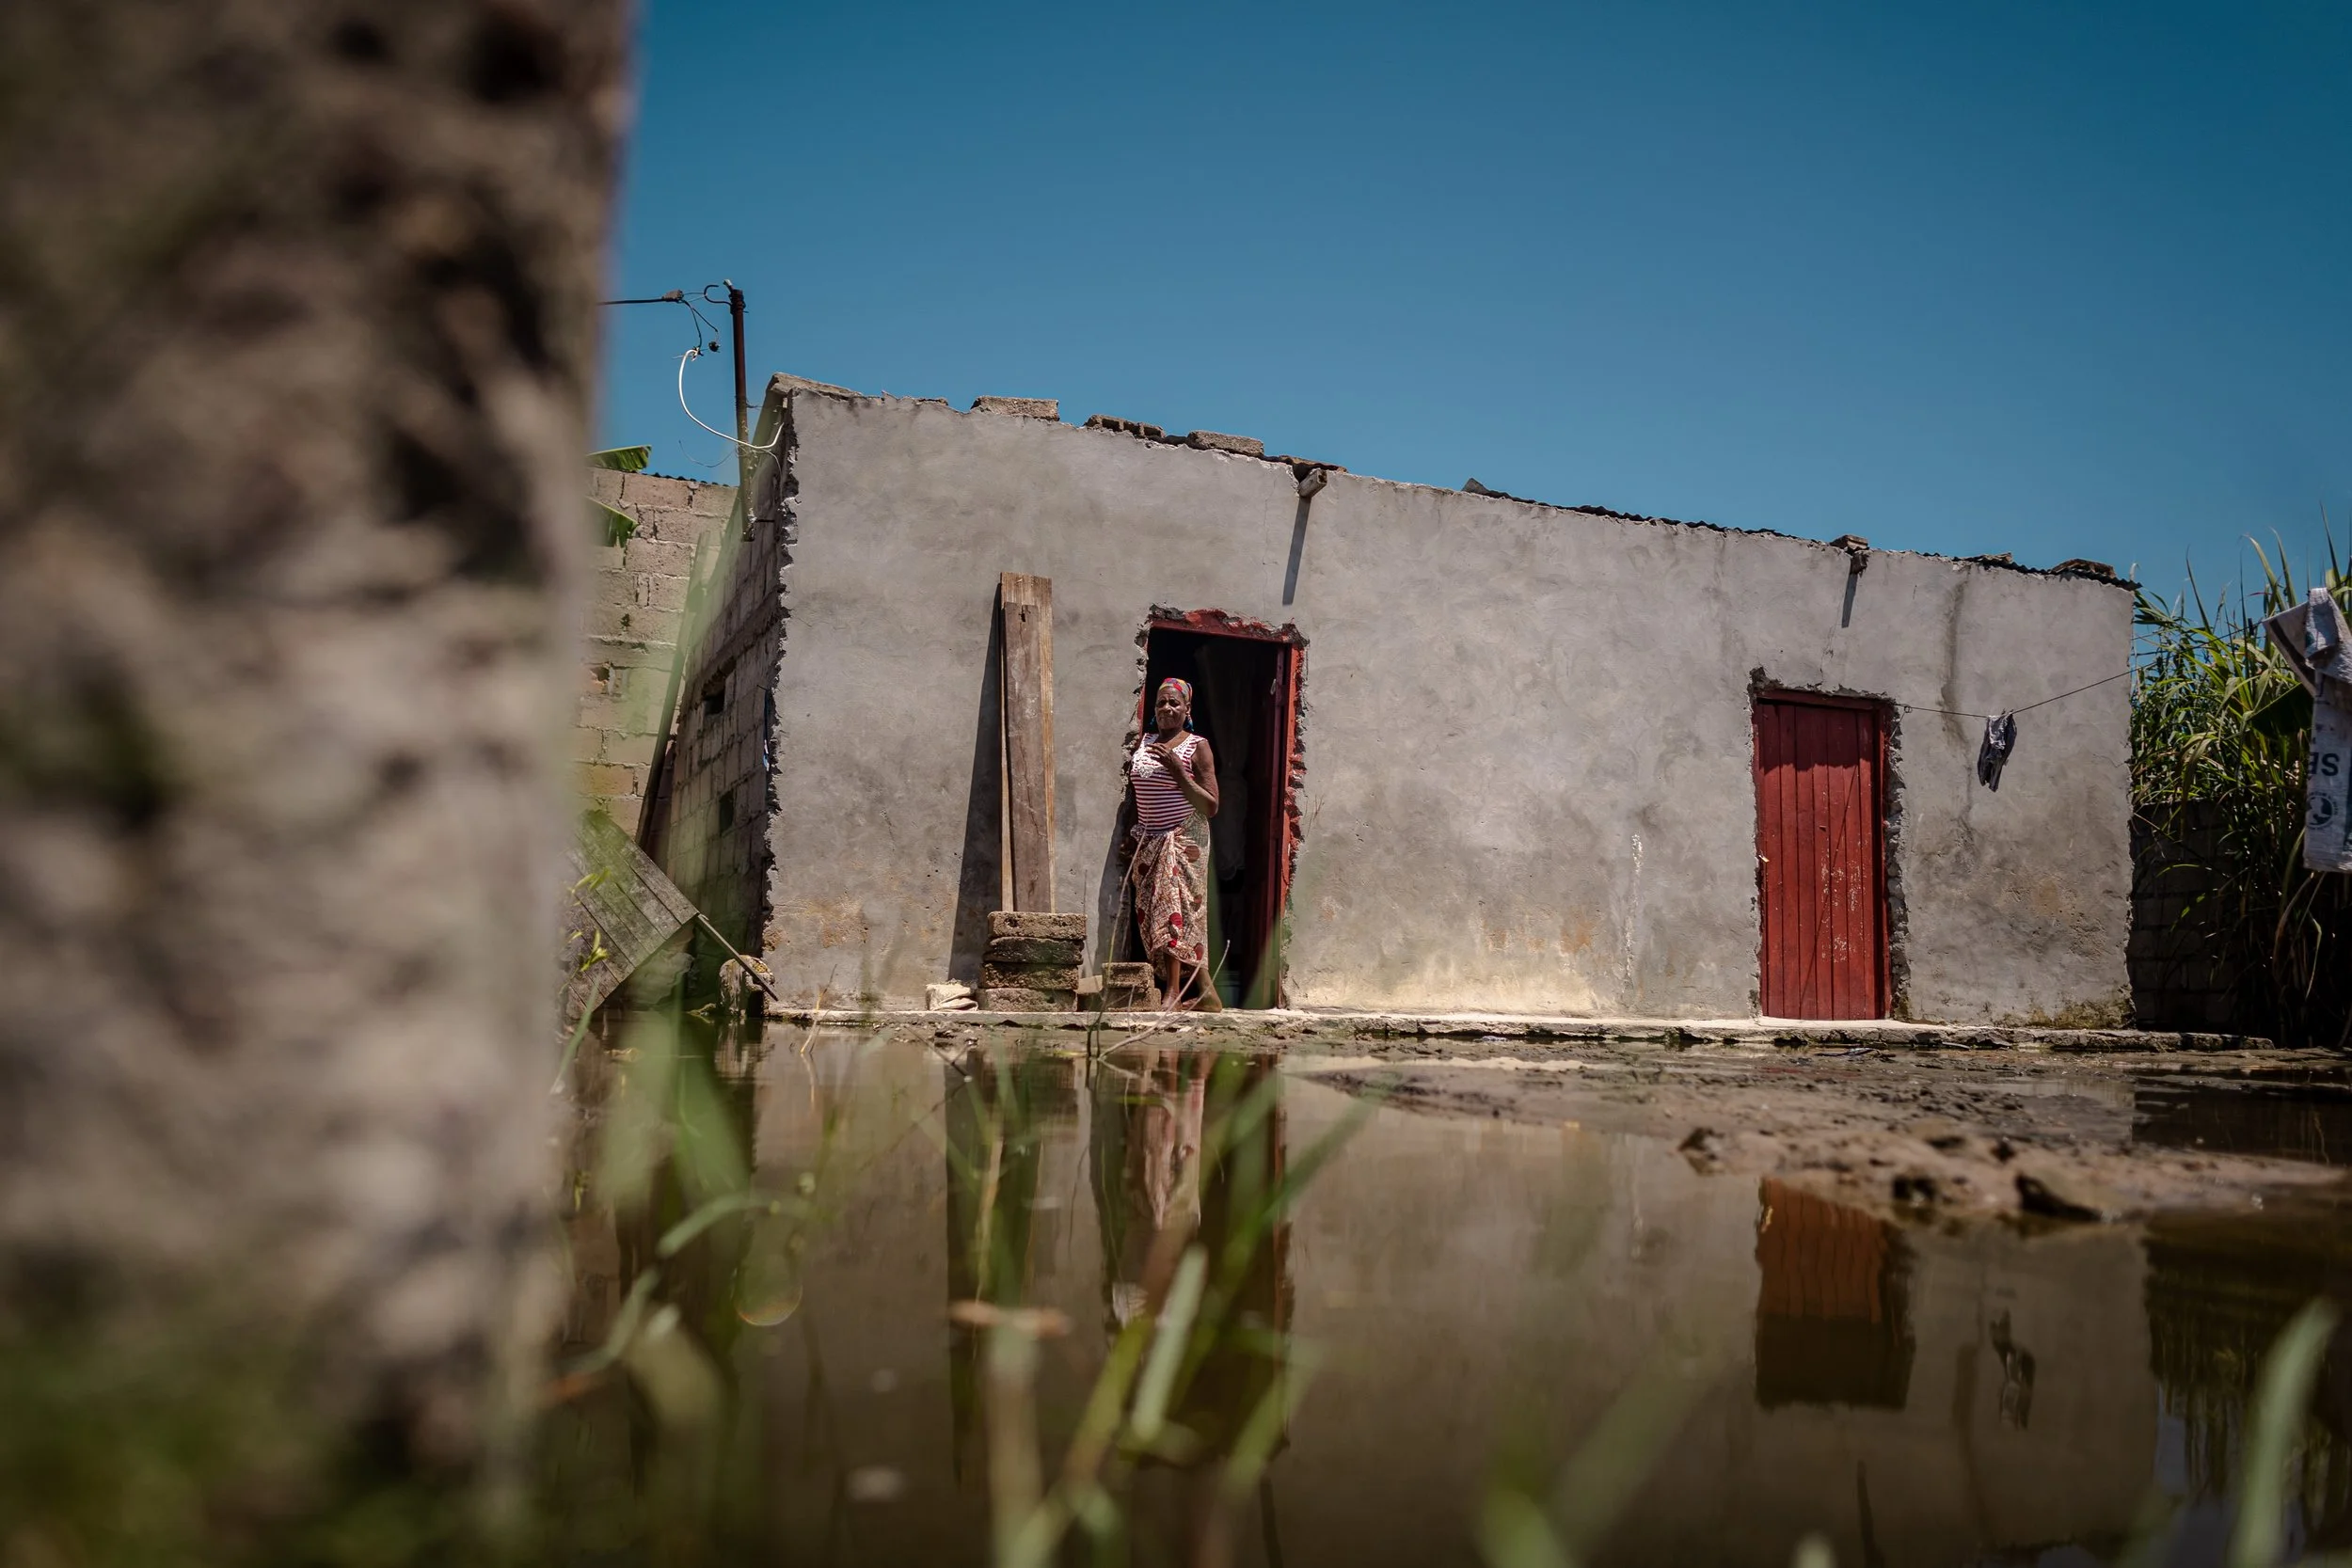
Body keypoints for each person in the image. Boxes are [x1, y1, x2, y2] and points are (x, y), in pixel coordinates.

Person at [1124, 676, 1222, 1010]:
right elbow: (1136, 793)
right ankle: (1208, 995)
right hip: (1148, 839)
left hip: (1182, 838)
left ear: (1187, 709)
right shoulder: (1145, 741)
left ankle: (1172, 993)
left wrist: (1178, 771)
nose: (1167, 708)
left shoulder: (1197, 746)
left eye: (1174, 703)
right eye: (1161, 703)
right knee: (1159, 916)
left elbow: (1210, 805)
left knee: (1174, 914)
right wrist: (1132, 832)